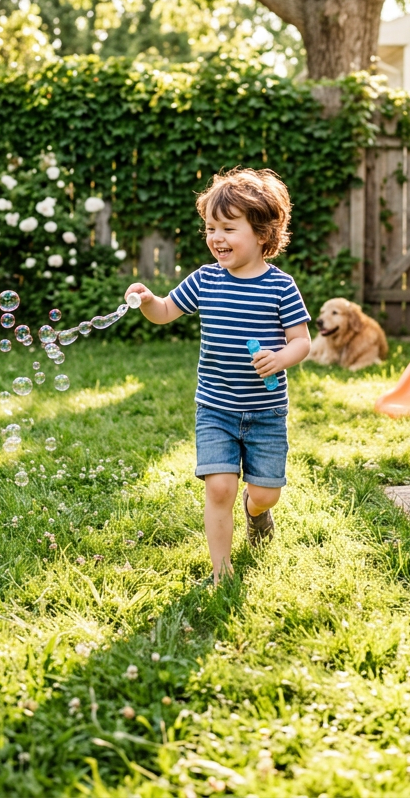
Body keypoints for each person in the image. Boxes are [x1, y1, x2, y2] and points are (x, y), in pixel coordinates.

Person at [125, 168, 312, 583]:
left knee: (266, 493)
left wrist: (280, 358)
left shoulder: (281, 287)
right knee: (219, 488)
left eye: (229, 227)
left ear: (263, 234)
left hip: (265, 411)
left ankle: (256, 512)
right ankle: (222, 572)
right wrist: (147, 300)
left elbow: (302, 342)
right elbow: (165, 313)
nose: (216, 237)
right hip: (216, 407)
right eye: (211, 228)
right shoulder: (205, 280)